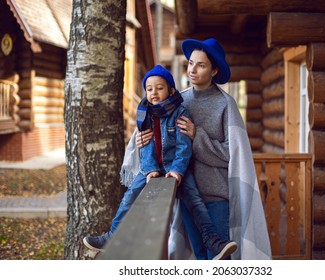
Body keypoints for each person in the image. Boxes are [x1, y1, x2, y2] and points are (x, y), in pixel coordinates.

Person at [135, 39, 272, 260]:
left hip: (215, 195)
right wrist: (142, 141)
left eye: (201, 65)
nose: (192, 70)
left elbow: (233, 155)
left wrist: (197, 136)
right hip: (187, 193)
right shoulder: (177, 101)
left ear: (214, 70)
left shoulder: (225, 105)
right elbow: (156, 134)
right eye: (190, 63)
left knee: (217, 259)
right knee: (198, 255)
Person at [83, 64, 237, 260]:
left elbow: (184, 147)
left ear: (171, 90)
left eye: (159, 88)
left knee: (194, 200)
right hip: (153, 167)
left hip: (176, 168)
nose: (153, 93)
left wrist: (178, 170)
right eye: (149, 89)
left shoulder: (180, 112)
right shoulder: (144, 113)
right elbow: (145, 145)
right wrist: (149, 170)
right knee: (129, 196)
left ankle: (213, 241)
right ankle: (112, 235)